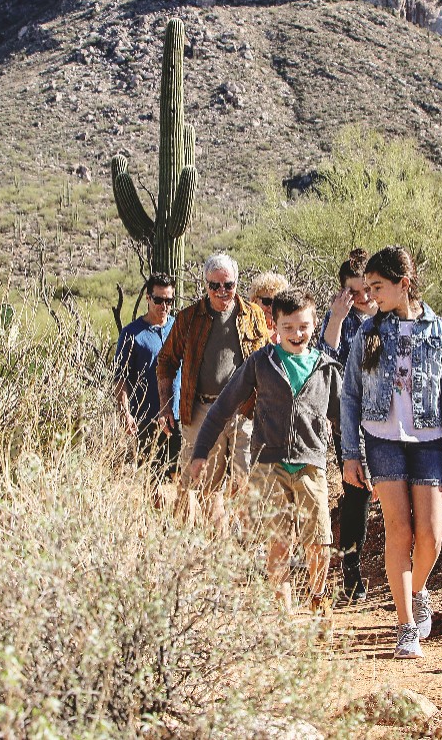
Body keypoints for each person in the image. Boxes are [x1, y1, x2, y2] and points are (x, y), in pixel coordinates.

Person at [340, 246, 442, 659]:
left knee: (431, 536)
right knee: (399, 529)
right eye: (368, 287)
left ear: (404, 284)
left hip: (429, 443)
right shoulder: (368, 332)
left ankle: (416, 590)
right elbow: (350, 396)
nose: (371, 295)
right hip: (383, 441)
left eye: (378, 287)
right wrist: (350, 454)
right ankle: (405, 625)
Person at [189, 288, 341, 615]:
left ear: (314, 323)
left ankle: (318, 601)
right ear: (275, 325)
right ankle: (282, 617)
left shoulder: (326, 368)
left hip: (311, 465)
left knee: (319, 542)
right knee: (280, 543)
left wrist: (358, 462)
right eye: (288, 327)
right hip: (268, 466)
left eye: (302, 326)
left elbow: (344, 419)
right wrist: (201, 450)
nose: (296, 334)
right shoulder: (262, 362)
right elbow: (224, 406)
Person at [157, 253, 269, 528]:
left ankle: (249, 549)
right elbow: (166, 361)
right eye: (214, 286)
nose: (222, 292)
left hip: (244, 410)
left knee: (247, 480)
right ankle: (217, 547)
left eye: (228, 285)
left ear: (236, 284)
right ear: (205, 285)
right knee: (206, 482)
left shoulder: (252, 315)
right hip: (202, 410)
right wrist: (165, 405)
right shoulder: (189, 318)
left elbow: (267, 359)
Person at [315, 248, 378, 603]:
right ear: (343, 292)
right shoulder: (338, 319)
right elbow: (323, 363)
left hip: (388, 419)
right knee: (359, 491)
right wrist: (337, 320)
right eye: (354, 291)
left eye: (367, 288)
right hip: (349, 421)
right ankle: (351, 567)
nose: (363, 297)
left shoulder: (388, 315)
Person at [114, 273, 182, 479]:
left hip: (180, 417)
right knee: (152, 482)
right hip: (146, 419)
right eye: (158, 300)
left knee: (181, 482)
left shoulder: (180, 327)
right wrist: (125, 412)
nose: (164, 306)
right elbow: (121, 378)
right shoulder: (131, 334)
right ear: (148, 298)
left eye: (169, 301)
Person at [247, 271, 290, 341]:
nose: (272, 307)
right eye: (267, 301)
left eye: (277, 303)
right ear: (254, 301)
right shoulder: (245, 328)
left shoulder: (287, 331)